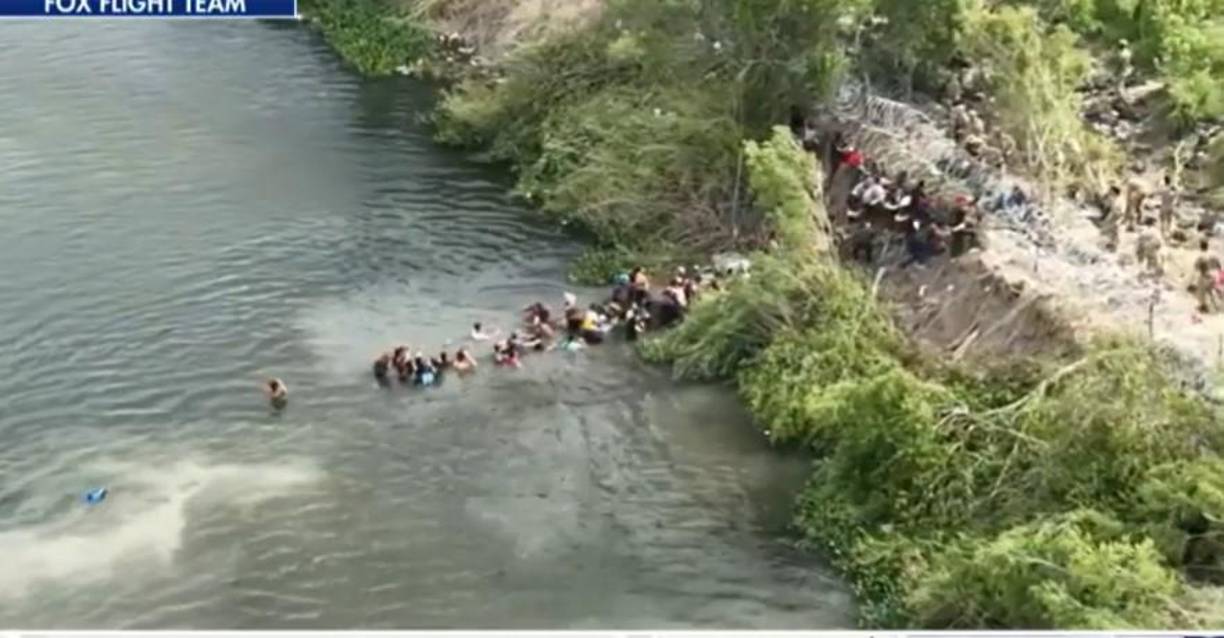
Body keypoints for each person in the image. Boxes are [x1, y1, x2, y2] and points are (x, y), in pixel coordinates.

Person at [1193, 239, 1222, 313]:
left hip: (1206, 275)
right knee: (1214, 289)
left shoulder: (1201, 256)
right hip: (1215, 275)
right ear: (1207, 246)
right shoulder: (1213, 254)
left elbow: (1196, 267)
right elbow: (1219, 265)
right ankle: (1218, 302)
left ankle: (1203, 305)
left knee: (1200, 290)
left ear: (1201, 247)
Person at [1159, 175, 1178, 239]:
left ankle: (1162, 235)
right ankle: (1168, 234)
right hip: (1170, 206)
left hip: (1163, 206)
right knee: (1169, 221)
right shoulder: (1172, 189)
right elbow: (1175, 195)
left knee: (1162, 221)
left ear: (1165, 181)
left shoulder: (1163, 189)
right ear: (1170, 181)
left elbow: (1158, 193)